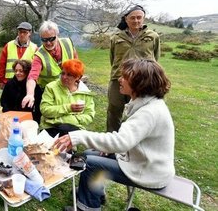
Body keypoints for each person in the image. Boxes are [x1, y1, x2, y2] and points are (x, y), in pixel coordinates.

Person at [54, 59, 174, 211]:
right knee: (89, 153)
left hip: (148, 171)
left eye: (125, 77)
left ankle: (88, 208)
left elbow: (121, 142)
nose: (119, 79)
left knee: (91, 164)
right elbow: (130, 139)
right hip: (141, 161)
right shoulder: (147, 103)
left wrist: (78, 136)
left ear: (139, 83)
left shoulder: (149, 112)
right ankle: (95, 192)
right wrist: (111, 148)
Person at [107, 5, 160, 132]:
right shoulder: (116, 37)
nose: (136, 21)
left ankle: (135, 139)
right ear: (126, 19)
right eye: (132, 18)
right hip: (118, 79)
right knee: (114, 109)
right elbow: (112, 58)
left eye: (139, 18)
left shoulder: (153, 36)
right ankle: (111, 139)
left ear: (143, 18)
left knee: (141, 111)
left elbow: (155, 58)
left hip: (143, 81)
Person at [21, 20, 77, 109]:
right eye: (44, 40)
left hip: (69, 88)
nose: (48, 43)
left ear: (57, 36)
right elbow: (32, 76)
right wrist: (30, 94)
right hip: (49, 93)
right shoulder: (39, 55)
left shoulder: (68, 43)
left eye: (51, 39)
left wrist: (77, 80)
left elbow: (76, 62)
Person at [40, 59, 95, 137]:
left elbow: (89, 115)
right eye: (63, 73)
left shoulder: (85, 92)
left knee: (65, 130)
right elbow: (45, 110)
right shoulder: (51, 87)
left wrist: (69, 120)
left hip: (73, 128)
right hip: (51, 126)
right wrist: (68, 108)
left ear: (78, 77)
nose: (64, 77)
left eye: (69, 75)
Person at [0, 22, 38, 89]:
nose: (22, 34)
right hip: (9, 82)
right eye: (20, 32)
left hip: (26, 83)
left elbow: (36, 68)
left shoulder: (34, 48)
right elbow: (2, 64)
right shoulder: (8, 45)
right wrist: (2, 80)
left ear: (30, 33)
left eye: (25, 32)